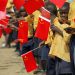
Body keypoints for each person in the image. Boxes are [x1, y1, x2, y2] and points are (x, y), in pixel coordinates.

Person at [49, 2, 72, 75]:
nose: (63, 15)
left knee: (65, 72)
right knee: (58, 71)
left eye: (65, 13)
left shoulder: (70, 25)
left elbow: (69, 39)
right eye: (61, 13)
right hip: (57, 54)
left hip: (65, 55)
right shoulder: (57, 22)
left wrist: (58, 30)